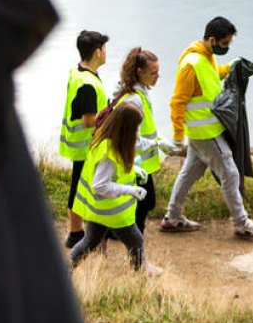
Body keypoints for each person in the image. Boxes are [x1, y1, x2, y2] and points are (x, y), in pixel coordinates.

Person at [160, 17, 253, 238]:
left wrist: (231, 67)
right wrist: (178, 136)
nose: (226, 47)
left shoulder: (205, 55)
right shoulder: (191, 65)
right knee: (230, 172)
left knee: (189, 173)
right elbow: (178, 101)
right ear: (212, 40)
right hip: (206, 132)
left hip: (203, 131)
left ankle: (172, 217)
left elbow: (210, 78)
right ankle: (241, 222)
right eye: (225, 44)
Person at [69, 103, 149, 271]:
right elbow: (100, 185)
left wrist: (135, 170)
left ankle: (65, 270)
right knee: (136, 241)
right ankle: (140, 283)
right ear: (126, 129)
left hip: (100, 210)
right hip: (113, 212)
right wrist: (130, 190)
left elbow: (115, 172)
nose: (138, 132)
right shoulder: (109, 153)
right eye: (136, 128)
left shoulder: (107, 141)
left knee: (89, 242)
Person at [113, 47, 179, 233]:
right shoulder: (135, 100)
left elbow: (146, 128)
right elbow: (132, 140)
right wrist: (157, 143)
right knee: (142, 206)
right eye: (153, 72)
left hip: (141, 164)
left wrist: (161, 139)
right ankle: (134, 251)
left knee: (145, 204)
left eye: (158, 72)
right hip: (136, 164)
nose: (157, 76)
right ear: (139, 72)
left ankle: (120, 238)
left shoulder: (140, 92)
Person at [59, 30, 108, 248]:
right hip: (85, 146)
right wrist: (111, 116)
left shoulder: (78, 73)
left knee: (80, 187)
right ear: (97, 52)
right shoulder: (88, 84)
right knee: (81, 189)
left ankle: (77, 231)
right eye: (104, 48)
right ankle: (76, 232)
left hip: (79, 144)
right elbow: (89, 120)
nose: (106, 53)